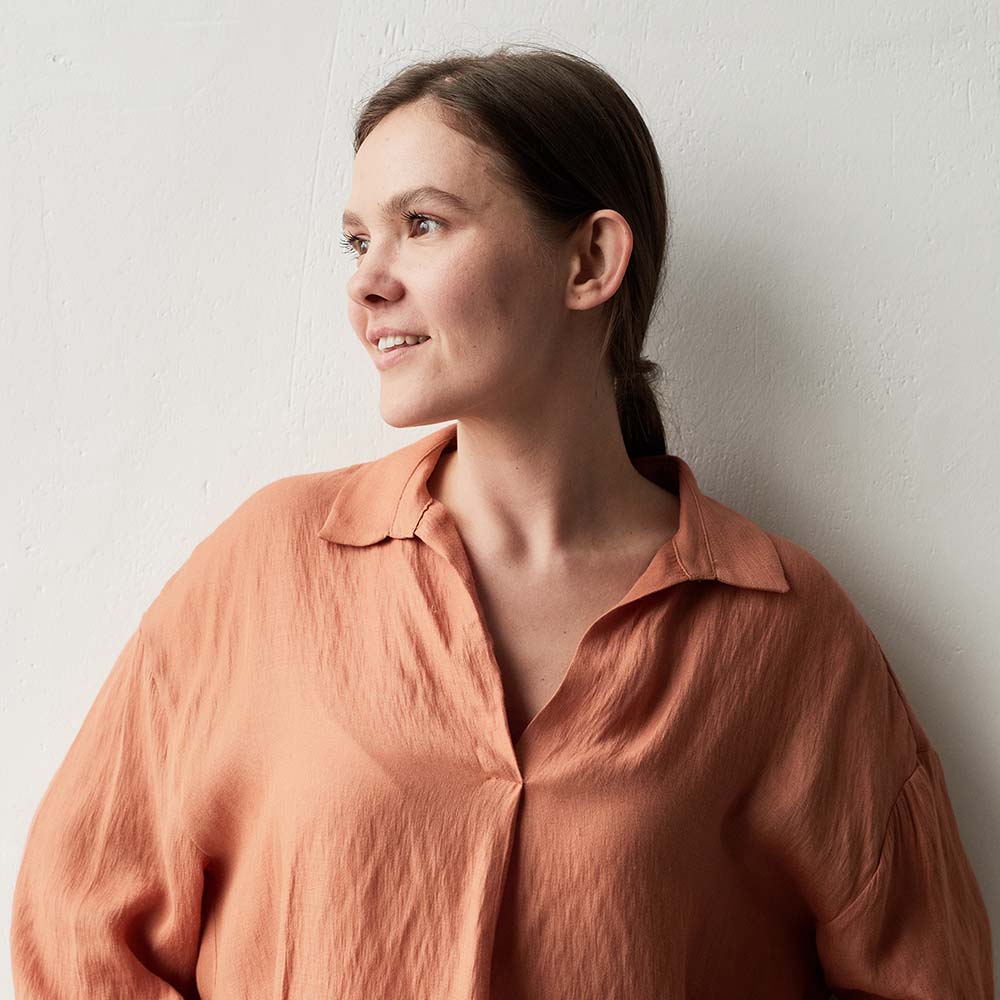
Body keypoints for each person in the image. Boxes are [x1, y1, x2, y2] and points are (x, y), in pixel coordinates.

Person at [10, 43, 992, 999]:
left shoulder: (783, 631)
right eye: (357, 240)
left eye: (422, 224)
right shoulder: (269, 568)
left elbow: (926, 975)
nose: (366, 280)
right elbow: (79, 931)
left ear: (589, 260)